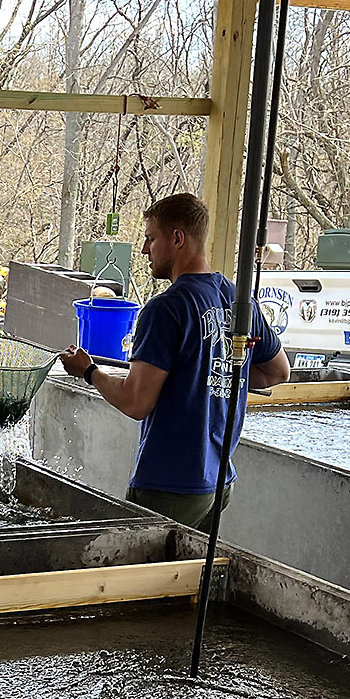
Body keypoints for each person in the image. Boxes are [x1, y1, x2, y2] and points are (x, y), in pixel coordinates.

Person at [58, 192, 289, 528]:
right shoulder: (240, 302)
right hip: (219, 479)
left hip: (170, 481)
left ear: (178, 238)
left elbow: (136, 402)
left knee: (142, 576)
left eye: (151, 238)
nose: (143, 249)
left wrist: (88, 370)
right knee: (191, 575)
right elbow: (277, 371)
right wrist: (212, 367)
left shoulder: (166, 308)